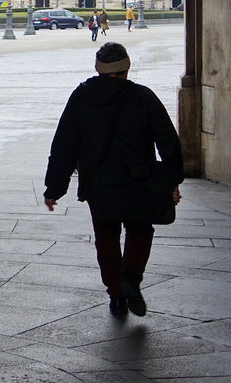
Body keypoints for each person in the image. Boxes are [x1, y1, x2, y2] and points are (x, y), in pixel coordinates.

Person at [44, 42, 183, 317]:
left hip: (99, 182)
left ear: (99, 68)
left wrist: (54, 189)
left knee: (106, 236)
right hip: (139, 180)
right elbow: (169, 143)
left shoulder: (81, 97)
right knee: (140, 230)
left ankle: (116, 295)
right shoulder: (143, 97)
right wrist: (171, 182)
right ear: (126, 68)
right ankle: (130, 276)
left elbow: (65, 145)